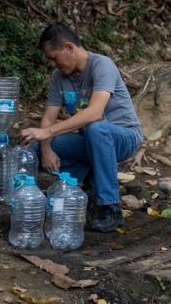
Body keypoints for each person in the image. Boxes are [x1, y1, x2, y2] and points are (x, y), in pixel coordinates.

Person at [20, 22, 143, 232]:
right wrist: (47, 148)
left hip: (123, 137)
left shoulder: (102, 65)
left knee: (96, 128)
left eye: (53, 57)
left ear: (69, 47)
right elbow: (48, 119)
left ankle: (110, 207)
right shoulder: (58, 77)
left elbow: (95, 113)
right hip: (90, 140)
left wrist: (47, 133)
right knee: (35, 147)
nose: (52, 64)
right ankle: (78, 187)